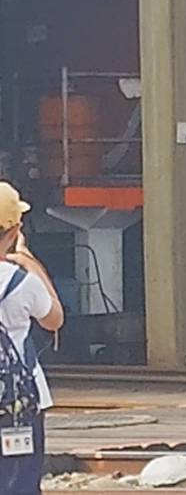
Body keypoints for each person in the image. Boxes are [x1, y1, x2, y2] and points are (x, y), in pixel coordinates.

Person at [0, 183, 64, 495]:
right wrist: (28, 260)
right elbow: (54, 320)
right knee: (21, 483)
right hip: (20, 400)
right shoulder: (23, 283)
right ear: (15, 231)